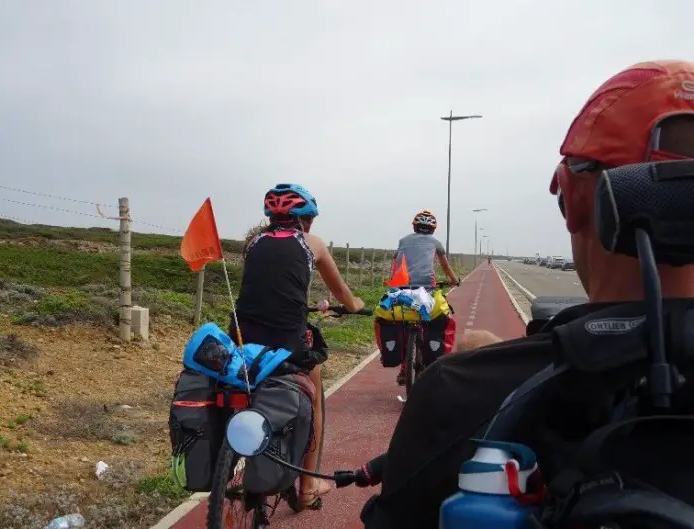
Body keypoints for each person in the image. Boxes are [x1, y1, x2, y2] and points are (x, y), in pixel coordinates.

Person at [359, 59, 694, 529]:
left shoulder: (464, 391)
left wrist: (482, 371)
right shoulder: (433, 246)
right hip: (431, 291)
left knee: (469, 341)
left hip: (416, 307)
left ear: (573, 199)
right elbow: (443, 267)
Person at [232, 183, 365, 511]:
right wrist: (355, 304)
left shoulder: (253, 244)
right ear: (305, 219)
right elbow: (345, 296)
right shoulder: (313, 245)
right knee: (314, 395)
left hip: (242, 338)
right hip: (287, 343)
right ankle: (307, 487)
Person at [389, 210, 460, 385]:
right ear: (433, 229)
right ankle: (432, 357)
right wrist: (454, 280)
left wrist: (394, 285)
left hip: (402, 287)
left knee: (402, 322)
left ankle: (404, 368)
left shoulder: (403, 241)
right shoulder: (436, 243)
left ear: (414, 227)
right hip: (426, 289)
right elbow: (445, 266)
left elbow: (396, 263)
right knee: (434, 319)